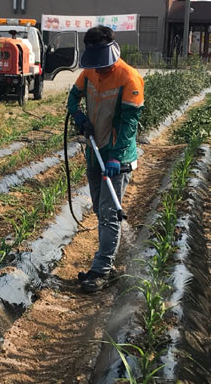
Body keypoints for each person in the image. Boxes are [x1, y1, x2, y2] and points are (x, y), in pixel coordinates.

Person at [67, 26, 144, 293]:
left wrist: (117, 157)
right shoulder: (90, 72)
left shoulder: (129, 78)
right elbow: (73, 98)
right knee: (101, 211)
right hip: (94, 151)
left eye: (102, 62)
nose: (100, 68)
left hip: (116, 158)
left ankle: (102, 270)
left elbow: (129, 124)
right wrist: (79, 117)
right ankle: (106, 260)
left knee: (110, 214)